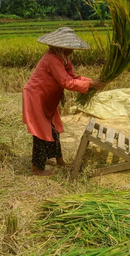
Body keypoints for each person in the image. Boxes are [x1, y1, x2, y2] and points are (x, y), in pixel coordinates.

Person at [22, 27, 104, 176]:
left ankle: (58, 160)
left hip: (47, 98)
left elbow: (73, 77)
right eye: (69, 47)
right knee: (41, 132)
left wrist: (92, 81)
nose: (72, 50)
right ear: (61, 47)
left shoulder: (64, 59)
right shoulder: (52, 59)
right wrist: (91, 85)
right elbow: (67, 82)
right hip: (36, 97)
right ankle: (37, 168)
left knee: (53, 129)